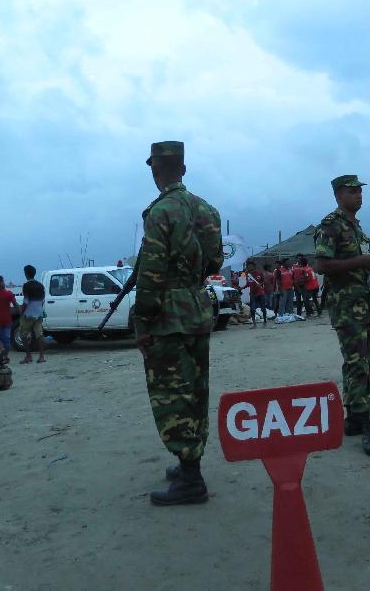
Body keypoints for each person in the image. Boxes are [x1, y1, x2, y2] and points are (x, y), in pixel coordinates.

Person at [135, 140, 223, 506]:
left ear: (155, 170)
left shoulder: (160, 211)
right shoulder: (207, 209)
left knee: (172, 396)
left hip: (167, 317)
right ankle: (190, 462)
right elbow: (216, 261)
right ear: (182, 169)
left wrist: (143, 319)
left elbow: (152, 271)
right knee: (196, 390)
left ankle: (190, 478)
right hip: (196, 309)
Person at [315, 174, 370, 456]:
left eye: (359, 190)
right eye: (352, 191)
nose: (358, 195)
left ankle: (355, 417)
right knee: (357, 361)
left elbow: (351, 264)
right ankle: (364, 419)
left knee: (365, 359)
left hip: (362, 303)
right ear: (338, 195)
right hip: (346, 306)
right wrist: (360, 261)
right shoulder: (331, 225)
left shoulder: (353, 226)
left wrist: (367, 266)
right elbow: (321, 264)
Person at [19, 265, 47, 363]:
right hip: (39, 314)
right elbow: (43, 299)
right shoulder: (40, 285)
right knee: (39, 334)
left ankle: (28, 356)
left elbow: (26, 301)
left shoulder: (26, 286)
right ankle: (42, 356)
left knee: (23, 335)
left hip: (28, 315)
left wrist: (21, 311)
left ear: (26, 274)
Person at [241, 261, 268, 328]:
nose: (249, 267)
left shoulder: (259, 273)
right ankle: (254, 324)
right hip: (252, 294)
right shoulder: (248, 274)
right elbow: (247, 283)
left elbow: (264, 281)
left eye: (251, 266)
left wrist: (260, 284)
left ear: (254, 266)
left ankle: (265, 322)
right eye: (248, 266)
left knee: (263, 308)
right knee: (252, 309)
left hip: (260, 293)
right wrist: (242, 288)